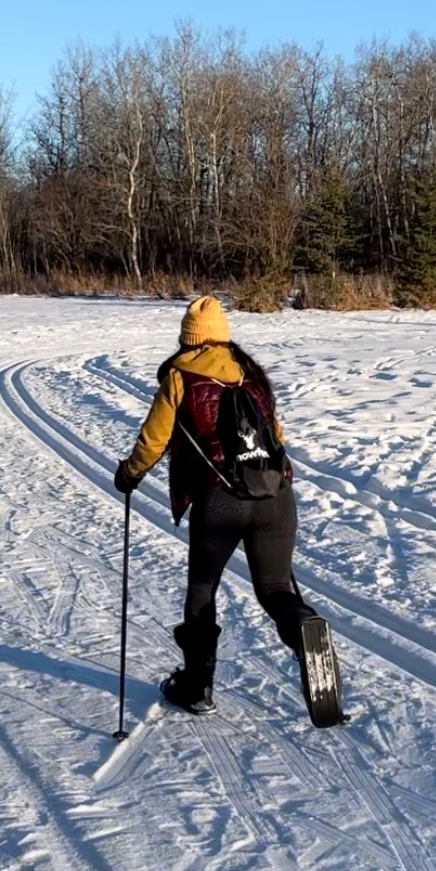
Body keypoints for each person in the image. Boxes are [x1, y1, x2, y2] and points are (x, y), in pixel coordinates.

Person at [112, 294, 318, 714]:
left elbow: (155, 439)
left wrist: (130, 474)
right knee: (276, 588)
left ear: (189, 338)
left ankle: (197, 687)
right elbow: (276, 437)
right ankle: (304, 628)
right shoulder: (252, 376)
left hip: (220, 500)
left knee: (202, 590)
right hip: (276, 496)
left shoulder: (180, 377)